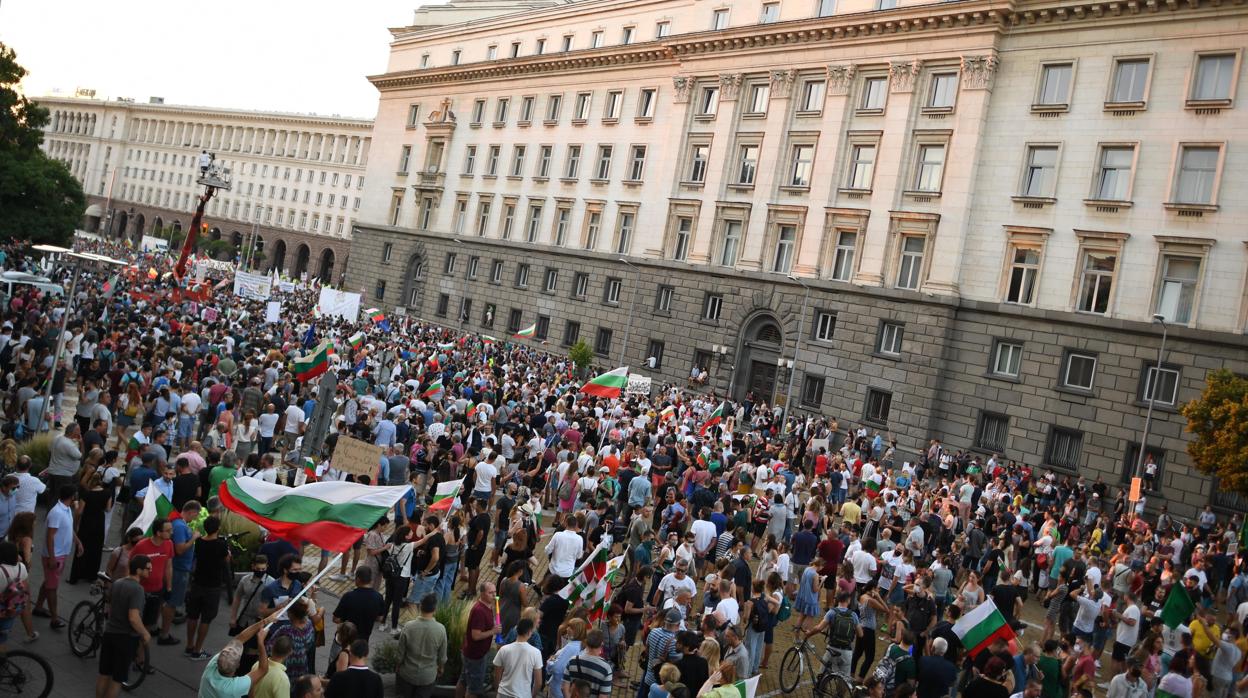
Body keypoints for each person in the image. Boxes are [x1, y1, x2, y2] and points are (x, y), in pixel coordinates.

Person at [31, 484, 79, 629]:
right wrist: (52, 558)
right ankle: (54, 619)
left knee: (49, 582)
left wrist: (78, 542)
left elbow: (69, 528)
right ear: (72, 497)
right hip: (55, 556)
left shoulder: (67, 510)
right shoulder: (57, 512)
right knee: (52, 587)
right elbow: (50, 537)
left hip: (61, 554)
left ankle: (38, 607)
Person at [199, 613, 278, 698]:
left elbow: (239, 639)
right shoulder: (235, 687)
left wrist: (265, 621)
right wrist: (261, 643)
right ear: (238, 665)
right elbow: (263, 669)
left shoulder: (211, 668)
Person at [185, 515, 230, 659]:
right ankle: (197, 650)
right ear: (217, 528)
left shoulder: (199, 542)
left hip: (198, 582)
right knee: (206, 618)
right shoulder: (221, 545)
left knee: (192, 615)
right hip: (213, 586)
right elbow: (226, 560)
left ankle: (189, 645)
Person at [130, 516, 178, 644]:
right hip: (140, 591)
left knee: (147, 626)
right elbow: (130, 566)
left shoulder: (169, 544)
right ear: (158, 533)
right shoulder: (141, 546)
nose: (171, 533)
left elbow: (168, 566)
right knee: (134, 623)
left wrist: (169, 587)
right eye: (168, 530)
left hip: (157, 591)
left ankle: (140, 660)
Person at [397, 593, 447, 698]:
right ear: (435, 609)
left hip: (407, 673)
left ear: (420, 607)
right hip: (427, 676)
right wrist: (441, 668)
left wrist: (398, 666)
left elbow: (400, 652)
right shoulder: (441, 629)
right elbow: (442, 656)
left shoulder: (408, 626)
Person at [460, 581, 501, 698]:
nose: (494, 595)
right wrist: (493, 631)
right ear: (482, 593)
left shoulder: (487, 606)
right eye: (490, 593)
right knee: (473, 689)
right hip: (475, 656)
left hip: (472, 653)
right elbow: (476, 635)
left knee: (463, 680)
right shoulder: (479, 611)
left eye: (494, 592)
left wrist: (493, 625)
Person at [332, 566, 385, 646]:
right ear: (370, 580)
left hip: (346, 640)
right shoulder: (378, 597)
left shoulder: (348, 596)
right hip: (364, 641)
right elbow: (380, 618)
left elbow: (336, 619)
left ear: (358, 579)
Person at [494, 617, 544, 698]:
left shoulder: (504, 649)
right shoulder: (536, 653)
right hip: (523, 694)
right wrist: (532, 695)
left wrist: (498, 690)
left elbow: (496, 675)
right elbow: (539, 683)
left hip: (503, 693)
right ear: (529, 632)